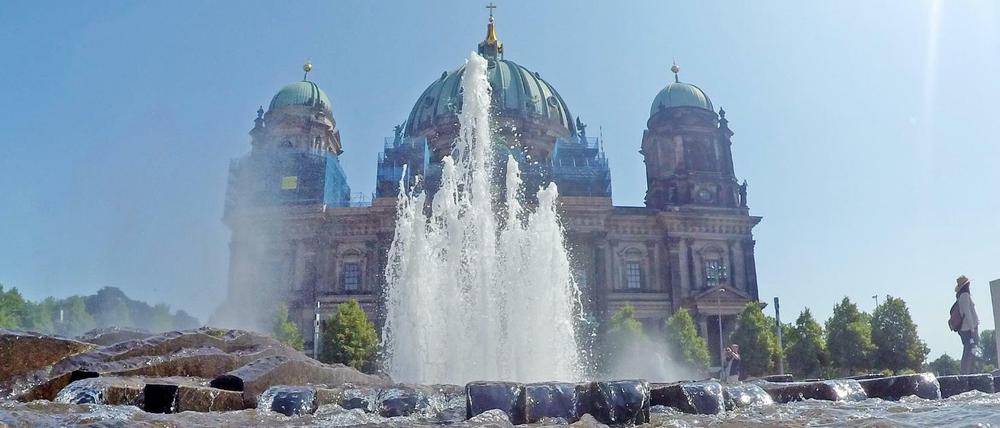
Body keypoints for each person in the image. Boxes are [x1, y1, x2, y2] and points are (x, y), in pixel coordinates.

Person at [955, 275, 980, 374]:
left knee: (969, 349)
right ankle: (966, 371)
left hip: (966, 328)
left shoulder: (961, 296)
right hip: (968, 328)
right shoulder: (965, 295)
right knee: (970, 349)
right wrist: (972, 328)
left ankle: (967, 371)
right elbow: (967, 312)